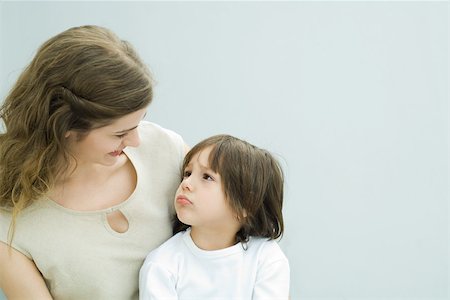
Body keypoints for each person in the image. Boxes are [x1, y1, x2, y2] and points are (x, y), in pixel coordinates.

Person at [0, 25, 187, 299]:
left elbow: (243, 238)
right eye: (120, 133)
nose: (136, 141)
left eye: (140, 122)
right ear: (64, 126)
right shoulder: (11, 222)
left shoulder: (166, 150)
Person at [139, 134, 290, 299]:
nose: (186, 184)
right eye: (188, 173)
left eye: (207, 177)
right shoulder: (162, 264)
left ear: (245, 205)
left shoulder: (266, 258)